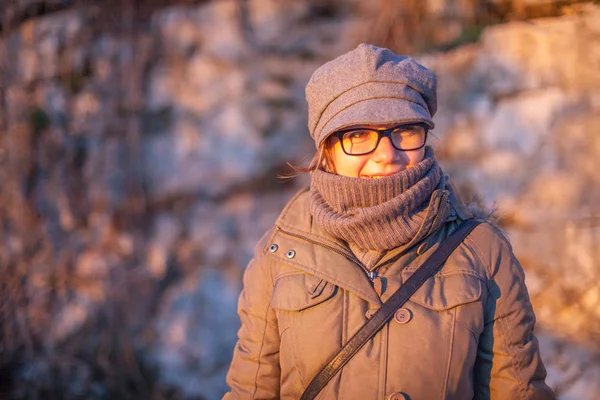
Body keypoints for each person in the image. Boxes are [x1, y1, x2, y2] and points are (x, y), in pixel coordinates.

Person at [223, 44, 555, 399]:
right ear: (327, 151)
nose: (387, 155)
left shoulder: (482, 251)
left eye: (405, 130)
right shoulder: (280, 254)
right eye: (358, 135)